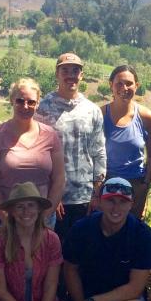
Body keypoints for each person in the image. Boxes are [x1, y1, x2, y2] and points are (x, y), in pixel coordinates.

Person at [64, 177, 151, 301]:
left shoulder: (141, 234)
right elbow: (70, 269)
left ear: (131, 204)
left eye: (123, 202)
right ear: (99, 201)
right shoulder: (82, 229)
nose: (116, 207)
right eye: (111, 200)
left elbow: (136, 287)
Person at [36, 53, 107, 241]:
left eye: (75, 70)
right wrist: (51, 196)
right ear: (57, 74)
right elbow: (39, 154)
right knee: (55, 253)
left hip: (85, 197)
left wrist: (97, 192)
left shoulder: (92, 110)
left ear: (81, 75)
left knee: (83, 253)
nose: (70, 75)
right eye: (65, 70)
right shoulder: (43, 108)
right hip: (55, 199)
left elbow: (98, 152)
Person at [0, 78, 65, 231]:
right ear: (12, 100)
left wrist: (45, 215)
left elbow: (59, 179)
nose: (25, 106)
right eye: (20, 101)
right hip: (5, 220)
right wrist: (6, 218)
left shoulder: (50, 136)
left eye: (31, 102)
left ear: (38, 103)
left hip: (43, 219)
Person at [101, 65, 151, 218]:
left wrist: (144, 186)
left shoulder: (146, 117)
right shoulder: (100, 115)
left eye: (129, 83)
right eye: (119, 83)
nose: (124, 88)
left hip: (135, 185)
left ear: (136, 86)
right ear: (111, 85)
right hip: (107, 184)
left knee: (131, 233)